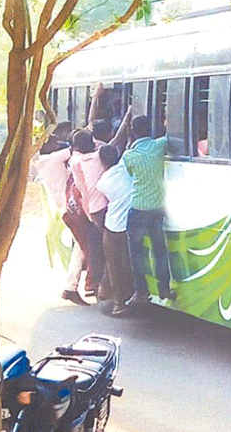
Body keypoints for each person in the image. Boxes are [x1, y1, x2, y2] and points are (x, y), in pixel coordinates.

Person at [69, 107, 133, 301]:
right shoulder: (96, 158)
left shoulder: (76, 159)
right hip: (100, 210)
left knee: (103, 248)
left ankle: (101, 288)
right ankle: (106, 291)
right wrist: (128, 115)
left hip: (90, 210)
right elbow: (117, 140)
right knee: (112, 251)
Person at [122, 114, 175, 306]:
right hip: (158, 208)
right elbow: (170, 136)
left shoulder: (129, 156)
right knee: (159, 249)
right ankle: (164, 288)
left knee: (136, 253)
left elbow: (130, 174)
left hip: (138, 209)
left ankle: (141, 291)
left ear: (133, 132)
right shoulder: (159, 146)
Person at [34, 128, 88, 306]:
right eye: (54, 142)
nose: (58, 144)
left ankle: (78, 284)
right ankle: (71, 287)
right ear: (47, 146)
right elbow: (77, 147)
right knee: (81, 246)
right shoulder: (53, 159)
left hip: (65, 206)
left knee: (81, 246)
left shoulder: (43, 161)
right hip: (70, 207)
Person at [95, 144, 135, 316]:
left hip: (112, 227)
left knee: (114, 265)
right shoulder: (127, 169)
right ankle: (106, 292)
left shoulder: (102, 183)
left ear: (102, 163)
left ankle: (117, 302)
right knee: (125, 264)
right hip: (130, 225)